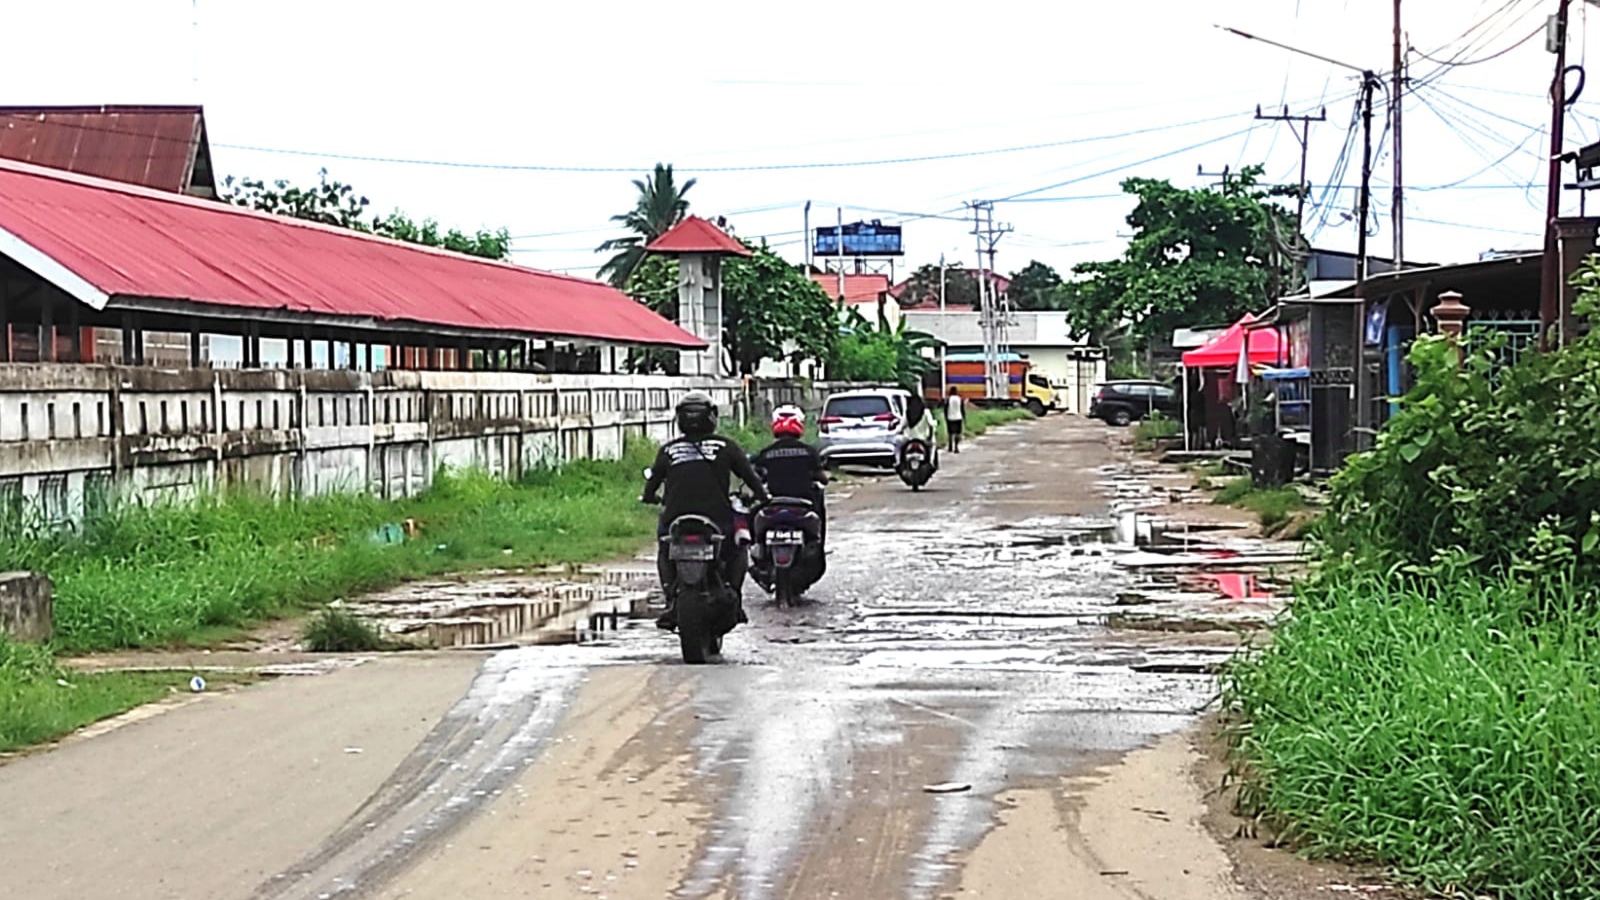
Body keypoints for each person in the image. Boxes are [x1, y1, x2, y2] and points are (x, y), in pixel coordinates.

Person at [642, 391, 768, 631]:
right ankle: (733, 593)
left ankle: (671, 596)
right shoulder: (727, 446)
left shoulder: (668, 450)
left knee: (665, 549)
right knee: (738, 549)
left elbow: (652, 483)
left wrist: (650, 498)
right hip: (718, 519)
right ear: (712, 417)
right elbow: (751, 478)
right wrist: (762, 497)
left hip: (675, 519)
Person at [751, 405, 829, 545]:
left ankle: (754, 549)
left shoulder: (766, 453)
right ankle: (819, 545)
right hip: (804, 504)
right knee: (819, 507)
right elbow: (823, 478)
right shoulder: (809, 451)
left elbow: (756, 477)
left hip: (773, 503)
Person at [944, 386, 967, 453]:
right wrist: (964, 418)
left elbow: (945, 409)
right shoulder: (960, 399)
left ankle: (950, 446)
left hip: (950, 417)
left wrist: (945, 417)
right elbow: (962, 409)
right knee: (958, 433)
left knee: (950, 433)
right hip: (958, 417)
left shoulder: (948, 399)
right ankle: (956, 447)